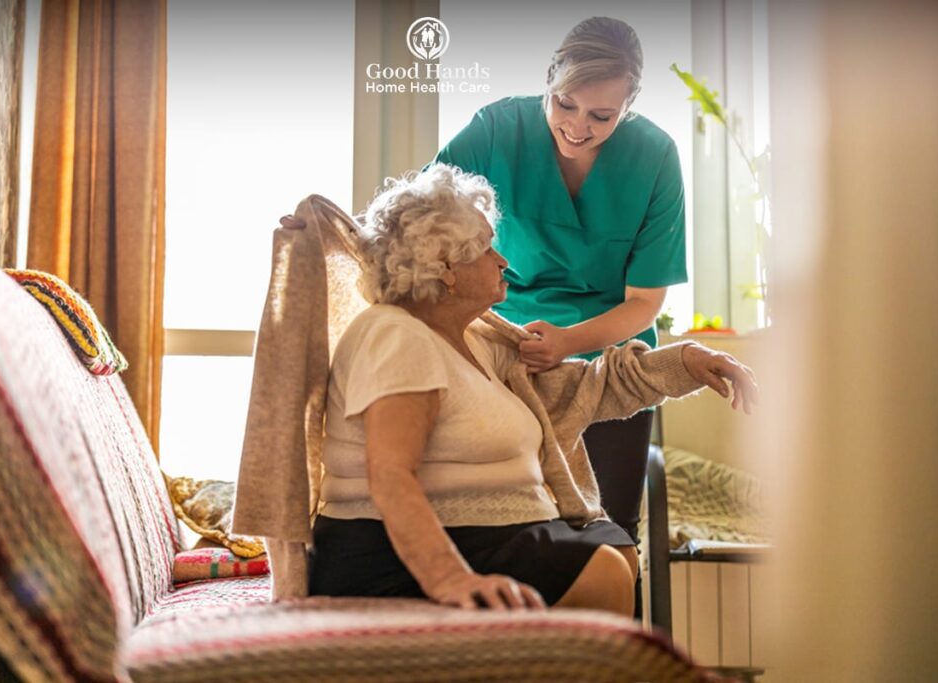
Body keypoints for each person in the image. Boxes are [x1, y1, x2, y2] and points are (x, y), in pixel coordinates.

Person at [307, 165, 756, 613]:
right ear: (445, 267)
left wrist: (688, 361)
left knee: (613, 551)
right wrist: (449, 577)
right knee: (601, 571)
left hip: (488, 534)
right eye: (486, 248)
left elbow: (588, 388)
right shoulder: (396, 335)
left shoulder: (480, 342)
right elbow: (389, 472)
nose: (502, 261)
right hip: (388, 552)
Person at [433, 17, 685, 573]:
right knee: (509, 528)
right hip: (504, 352)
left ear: (630, 104)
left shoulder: (656, 157)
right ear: (549, 80)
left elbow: (645, 301)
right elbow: (420, 216)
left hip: (610, 361)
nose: (577, 127)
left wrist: (570, 341)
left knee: (611, 532)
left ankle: (616, 658)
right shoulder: (498, 128)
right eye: (564, 104)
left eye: (602, 116)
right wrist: (328, 230)